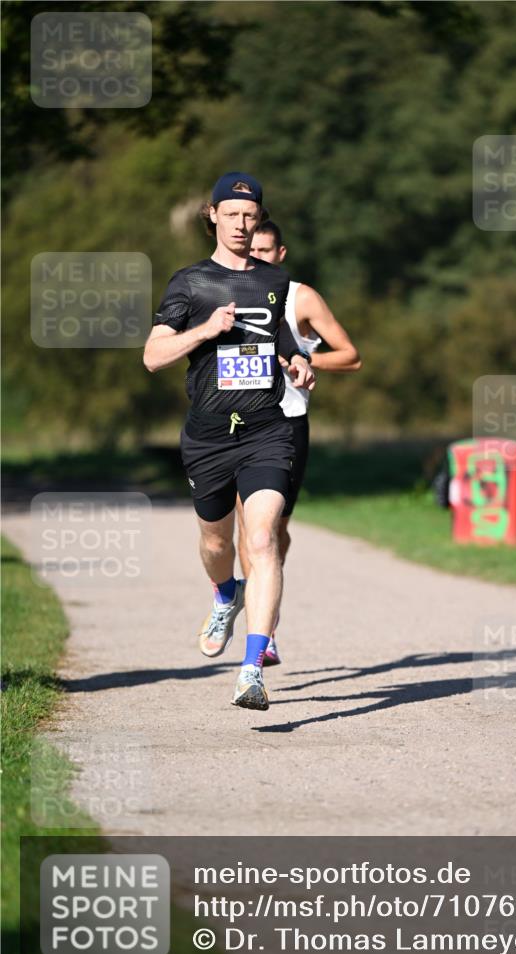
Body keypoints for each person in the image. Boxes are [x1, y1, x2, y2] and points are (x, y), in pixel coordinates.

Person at [143, 172, 314, 711]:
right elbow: (153, 356)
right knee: (217, 545)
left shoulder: (277, 282)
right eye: (232, 214)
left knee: (261, 541)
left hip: (268, 430)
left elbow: (286, 342)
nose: (243, 224)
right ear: (213, 216)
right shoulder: (189, 284)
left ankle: (252, 669)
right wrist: (204, 331)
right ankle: (224, 594)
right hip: (209, 437)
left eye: (251, 215)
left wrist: (300, 363)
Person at [236, 220, 361, 665]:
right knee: (248, 533)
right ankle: (260, 629)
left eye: (267, 252)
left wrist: (305, 358)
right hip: (238, 422)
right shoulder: (224, 289)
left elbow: (351, 355)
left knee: (272, 532)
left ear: (281, 254)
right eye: (252, 251)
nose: (258, 259)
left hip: (287, 423)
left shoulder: (300, 297)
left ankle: (266, 609)